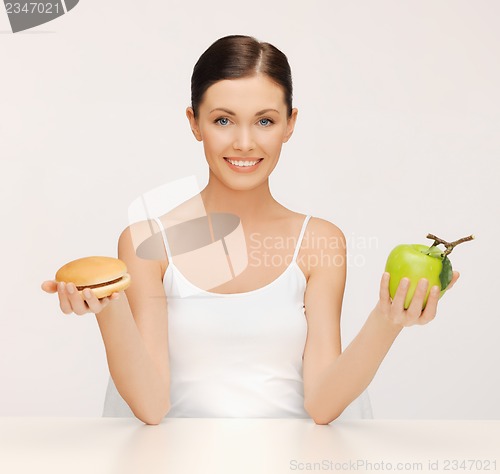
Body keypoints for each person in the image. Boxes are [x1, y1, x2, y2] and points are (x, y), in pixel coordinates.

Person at [42, 34, 459, 425]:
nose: (244, 142)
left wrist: (388, 320)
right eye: (223, 121)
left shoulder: (319, 241)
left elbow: (323, 404)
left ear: (290, 124)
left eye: (264, 121)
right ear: (194, 122)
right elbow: (151, 407)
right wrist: (109, 308)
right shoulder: (146, 243)